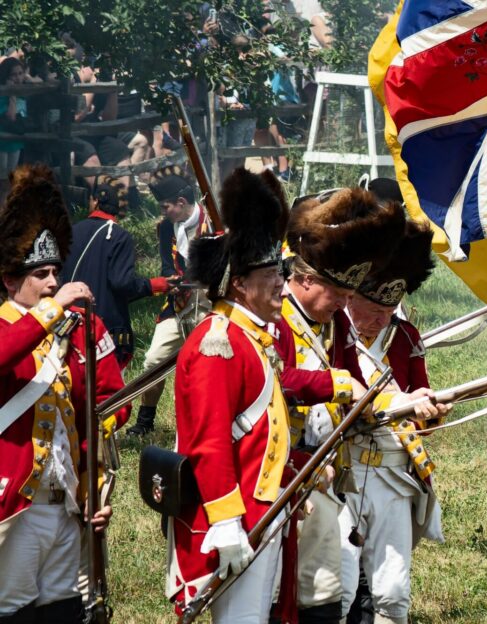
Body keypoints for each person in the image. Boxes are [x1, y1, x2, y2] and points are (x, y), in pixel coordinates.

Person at [0, 165, 128, 622]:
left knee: (66, 608)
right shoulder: (11, 325)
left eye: (56, 271)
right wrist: (52, 313)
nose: (53, 282)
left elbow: (113, 400)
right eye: (41, 274)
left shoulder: (78, 327)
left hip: (68, 497)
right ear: (12, 281)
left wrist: (93, 483)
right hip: (14, 501)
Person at [166, 168, 290, 624]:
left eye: (282, 271)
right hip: (234, 520)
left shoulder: (249, 336)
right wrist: (225, 520)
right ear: (240, 282)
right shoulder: (217, 343)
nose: (281, 283)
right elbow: (210, 440)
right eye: (271, 273)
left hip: (262, 510)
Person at [280, 187, 401, 624]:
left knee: (326, 595)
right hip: (281, 476)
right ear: (306, 279)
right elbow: (273, 383)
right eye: (337, 292)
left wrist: (404, 402)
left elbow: (360, 388)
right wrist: (333, 384)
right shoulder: (275, 321)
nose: (344, 304)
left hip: (324, 475)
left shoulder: (329, 325)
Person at [340, 195, 451, 624]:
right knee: (340, 586)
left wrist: (432, 408)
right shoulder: (335, 335)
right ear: (352, 299)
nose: (380, 320)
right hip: (345, 466)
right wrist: (397, 403)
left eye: (388, 311)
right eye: (372, 310)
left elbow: (421, 393)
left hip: (393, 469)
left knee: (393, 591)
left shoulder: (405, 336)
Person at [128, 170, 212, 436]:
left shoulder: (213, 222)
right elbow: (167, 264)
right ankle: (144, 422)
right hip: (178, 305)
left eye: (166, 206)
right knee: (153, 360)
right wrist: (171, 280)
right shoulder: (165, 227)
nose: (164, 212)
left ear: (180, 202)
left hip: (211, 307)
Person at [62, 178, 174, 368]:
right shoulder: (120, 236)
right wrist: (154, 285)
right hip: (106, 329)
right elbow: (122, 283)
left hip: (70, 324)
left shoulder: (71, 232)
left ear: (95, 201)